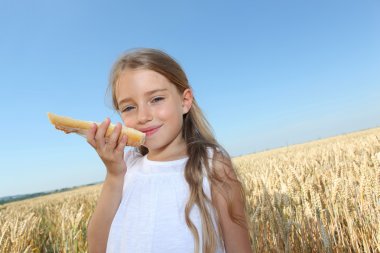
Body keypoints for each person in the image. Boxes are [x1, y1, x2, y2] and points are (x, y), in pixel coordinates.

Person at [86, 48, 252, 253]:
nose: (143, 116)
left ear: (185, 101)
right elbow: (97, 247)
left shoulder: (212, 165)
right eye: (129, 107)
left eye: (156, 99)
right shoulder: (125, 166)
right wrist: (114, 174)